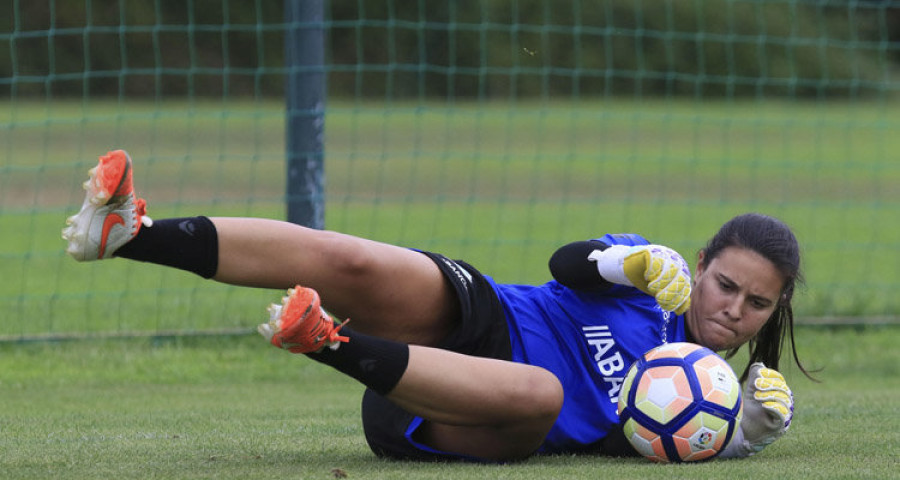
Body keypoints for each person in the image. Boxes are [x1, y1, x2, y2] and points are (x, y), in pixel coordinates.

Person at [62, 150, 807, 462]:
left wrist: (742, 435)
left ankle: (325, 343)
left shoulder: (716, 399)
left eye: (756, 303)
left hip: (465, 411)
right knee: (354, 258)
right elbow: (564, 264)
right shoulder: (654, 275)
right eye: (725, 283)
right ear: (703, 265)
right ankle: (130, 233)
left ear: (772, 315)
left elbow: (642, 445)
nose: (733, 308)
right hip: (489, 318)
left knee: (542, 392)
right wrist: (628, 261)